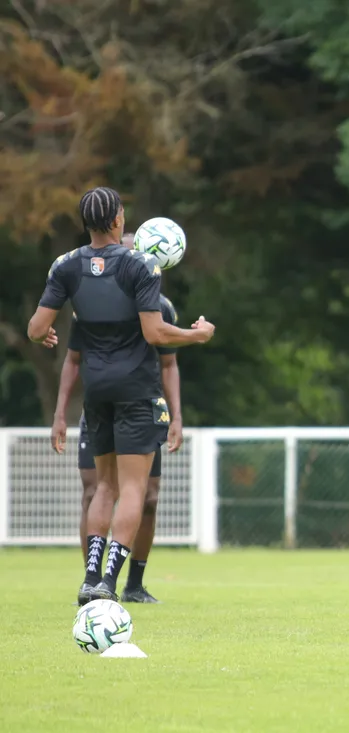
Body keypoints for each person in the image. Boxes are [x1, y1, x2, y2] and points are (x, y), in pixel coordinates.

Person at [27, 187, 214, 604]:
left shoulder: (65, 265)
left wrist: (48, 334)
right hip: (135, 392)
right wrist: (196, 335)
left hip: (96, 392)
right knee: (133, 490)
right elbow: (155, 333)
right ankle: (109, 583)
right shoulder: (141, 264)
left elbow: (37, 329)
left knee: (104, 489)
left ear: (85, 222)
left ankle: (89, 578)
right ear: (118, 220)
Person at [52, 232, 183, 604]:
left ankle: (132, 584)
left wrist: (177, 416)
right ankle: (94, 580)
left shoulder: (160, 306)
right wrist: (60, 413)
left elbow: (169, 363)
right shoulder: (91, 307)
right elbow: (73, 359)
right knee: (98, 490)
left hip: (142, 405)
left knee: (146, 497)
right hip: (102, 407)